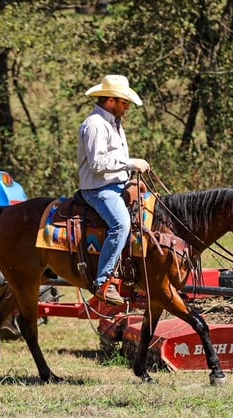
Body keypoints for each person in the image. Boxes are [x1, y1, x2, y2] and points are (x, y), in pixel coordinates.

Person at [78, 74, 150, 305]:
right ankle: (103, 282)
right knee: (121, 225)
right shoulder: (95, 125)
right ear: (110, 100)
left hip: (116, 184)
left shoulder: (113, 123)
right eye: (124, 102)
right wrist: (131, 163)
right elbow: (97, 164)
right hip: (99, 189)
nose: (127, 106)